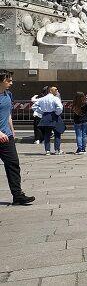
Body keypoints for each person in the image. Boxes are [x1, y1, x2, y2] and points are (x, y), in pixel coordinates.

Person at [0, 70, 35, 205]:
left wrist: (12, 130)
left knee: (13, 164)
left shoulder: (8, 94)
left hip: (7, 137)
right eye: (8, 80)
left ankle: (17, 195)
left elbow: (8, 114)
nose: (11, 83)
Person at [34, 86, 65, 155]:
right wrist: (57, 113)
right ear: (50, 91)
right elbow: (60, 107)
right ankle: (57, 149)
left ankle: (47, 150)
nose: (57, 91)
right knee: (57, 133)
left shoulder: (42, 99)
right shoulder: (55, 98)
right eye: (55, 89)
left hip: (45, 116)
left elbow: (34, 106)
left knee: (47, 134)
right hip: (54, 116)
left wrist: (42, 112)